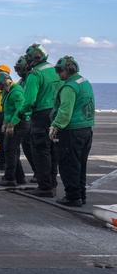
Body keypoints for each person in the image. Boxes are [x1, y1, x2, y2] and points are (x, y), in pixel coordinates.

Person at [50, 56, 94, 207]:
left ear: (70, 69)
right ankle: (81, 195)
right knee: (80, 164)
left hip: (71, 131)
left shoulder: (69, 87)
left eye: (59, 70)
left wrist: (55, 126)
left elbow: (65, 111)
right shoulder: (84, 82)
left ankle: (72, 197)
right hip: (86, 130)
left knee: (69, 164)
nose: (58, 74)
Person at [19, 43, 61, 197]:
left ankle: (45, 187)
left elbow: (29, 100)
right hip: (55, 113)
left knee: (40, 150)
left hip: (41, 115)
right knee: (52, 150)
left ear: (33, 58)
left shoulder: (34, 74)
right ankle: (53, 184)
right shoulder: (56, 70)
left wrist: (20, 113)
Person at [0, 70, 29, 187]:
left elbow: (20, 111)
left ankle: (10, 178)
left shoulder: (16, 93)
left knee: (9, 150)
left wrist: (12, 125)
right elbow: (8, 110)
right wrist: (5, 122)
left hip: (19, 124)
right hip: (13, 123)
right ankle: (20, 177)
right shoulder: (7, 92)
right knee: (12, 151)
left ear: (5, 83)